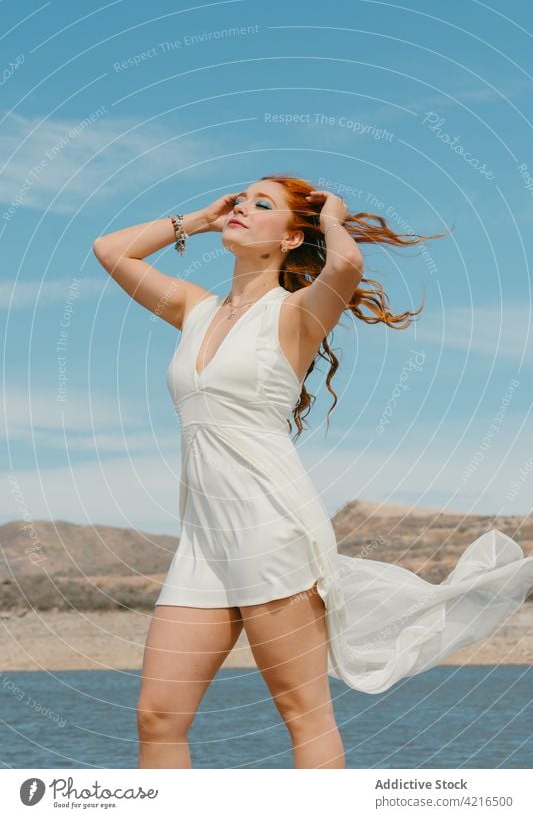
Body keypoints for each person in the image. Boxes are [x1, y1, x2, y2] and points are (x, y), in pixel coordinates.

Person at [93, 174, 533, 769]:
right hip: (202, 543)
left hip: (273, 533)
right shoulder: (195, 310)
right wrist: (197, 218)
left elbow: (346, 263)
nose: (243, 209)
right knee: (158, 716)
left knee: (304, 715)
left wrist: (331, 217)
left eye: (262, 205)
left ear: (292, 236)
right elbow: (109, 249)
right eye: (240, 201)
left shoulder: (296, 315)